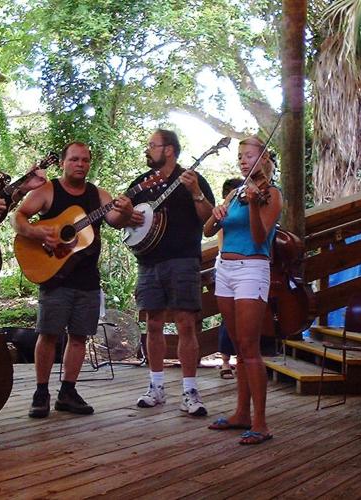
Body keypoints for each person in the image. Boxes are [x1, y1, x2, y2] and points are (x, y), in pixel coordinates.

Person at [12, 142, 132, 418]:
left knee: (79, 338)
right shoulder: (47, 191)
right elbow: (18, 218)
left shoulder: (99, 195)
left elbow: (116, 220)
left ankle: (68, 391)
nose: (80, 164)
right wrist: (39, 234)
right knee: (48, 334)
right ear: (63, 163)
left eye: (85, 160)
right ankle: (41, 392)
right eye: (75, 159)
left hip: (87, 278)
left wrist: (125, 210)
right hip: (54, 275)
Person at [127, 129, 215, 416]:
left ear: (169, 150)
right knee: (152, 323)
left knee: (186, 324)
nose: (148, 149)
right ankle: (156, 387)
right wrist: (128, 215)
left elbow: (210, 221)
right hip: (148, 261)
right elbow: (118, 218)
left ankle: (190, 391)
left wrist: (196, 193)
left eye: (153, 145)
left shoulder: (193, 179)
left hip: (183, 260)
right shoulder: (142, 182)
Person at [203, 137, 282, 445]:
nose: (243, 160)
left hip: (252, 268)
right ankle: (240, 413)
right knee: (237, 345)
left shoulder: (271, 194)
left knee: (250, 346)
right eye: (240, 156)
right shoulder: (236, 193)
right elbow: (208, 231)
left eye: (249, 155)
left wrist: (252, 205)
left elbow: (261, 235)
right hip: (225, 268)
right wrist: (215, 215)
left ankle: (261, 422)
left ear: (264, 159)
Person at [216, 177, 244, 380]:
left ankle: (243, 358)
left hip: (248, 267)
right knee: (229, 317)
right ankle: (225, 360)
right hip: (226, 266)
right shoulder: (224, 214)